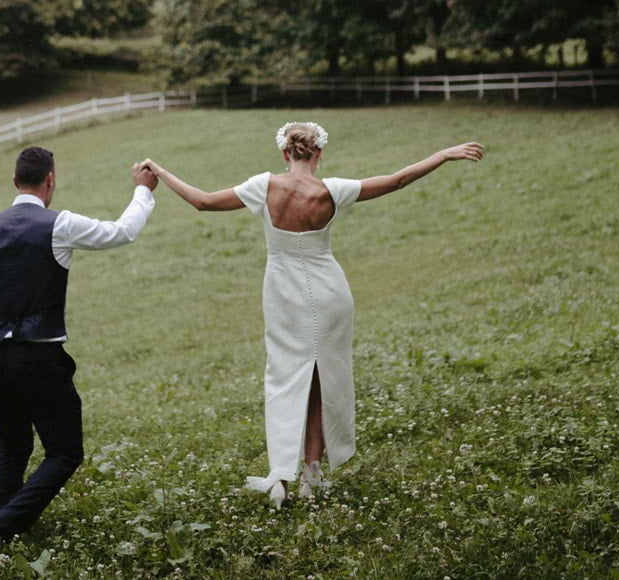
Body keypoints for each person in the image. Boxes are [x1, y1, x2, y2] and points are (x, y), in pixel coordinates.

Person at [140, 122, 483, 506]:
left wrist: (162, 170)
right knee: (321, 380)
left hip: (283, 293)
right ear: (318, 154)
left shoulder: (264, 186)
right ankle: (311, 474)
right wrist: (444, 154)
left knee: (284, 379)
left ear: (285, 154)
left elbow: (201, 200)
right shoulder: (332, 190)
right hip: (329, 291)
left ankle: (282, 479)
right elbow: (398, 180)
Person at [0, 146, 159, 551]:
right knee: (65, 452)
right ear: (50, 180)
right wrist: (143, 190)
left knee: (11, 447)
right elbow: (122, 232)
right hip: (39, 355)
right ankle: (1, 527)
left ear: (15, 182)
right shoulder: (60, 225)